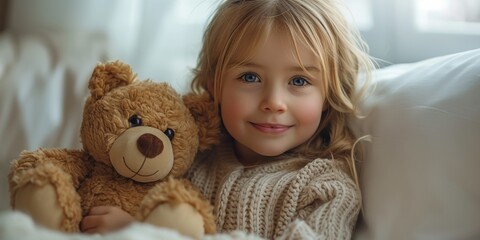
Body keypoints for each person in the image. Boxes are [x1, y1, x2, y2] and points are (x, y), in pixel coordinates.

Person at [81, 0, 374, 238]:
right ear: (213, 84)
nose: (273, 102)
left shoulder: (326, 187)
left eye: (299, 81)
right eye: (250, 77)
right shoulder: (184, 157)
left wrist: (141, 234)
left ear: (328, 94)